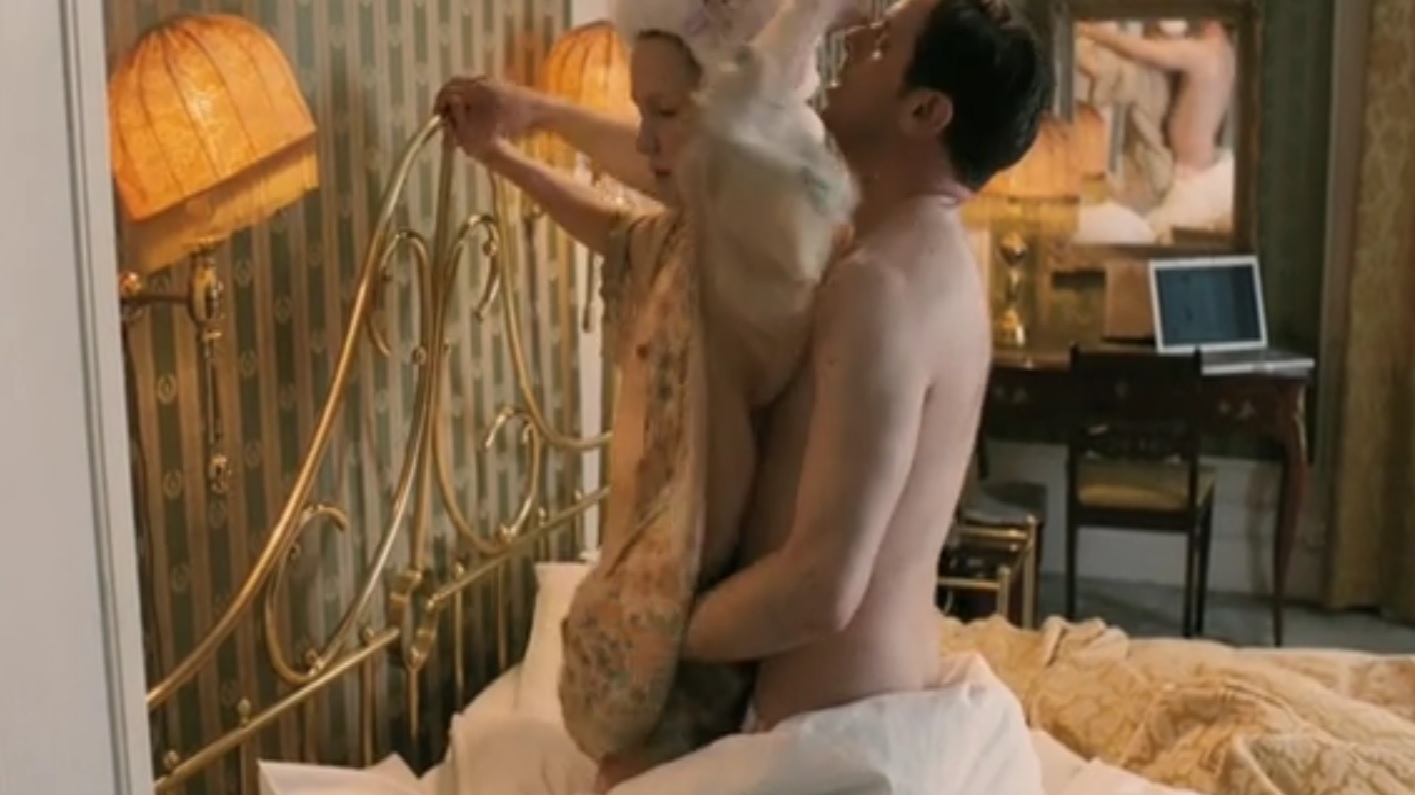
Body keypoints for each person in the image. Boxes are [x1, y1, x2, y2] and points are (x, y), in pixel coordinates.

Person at [674, 0, 1050, 732]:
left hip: (829, 732)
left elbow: (819, 586)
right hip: (879, 689)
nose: (850, 48)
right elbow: (716, 150)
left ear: (924, 111)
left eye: (880, 45)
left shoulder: (880, 285)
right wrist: (532, 121)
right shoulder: (932, 258)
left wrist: (657, 636)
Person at [1080, 19, 1236, 237]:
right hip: (1197, 160)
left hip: (1192, 169)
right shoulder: (1224, 51)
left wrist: (1091, 31)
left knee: (1157, 232)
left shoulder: (1205, 51)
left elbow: (1145, 51)